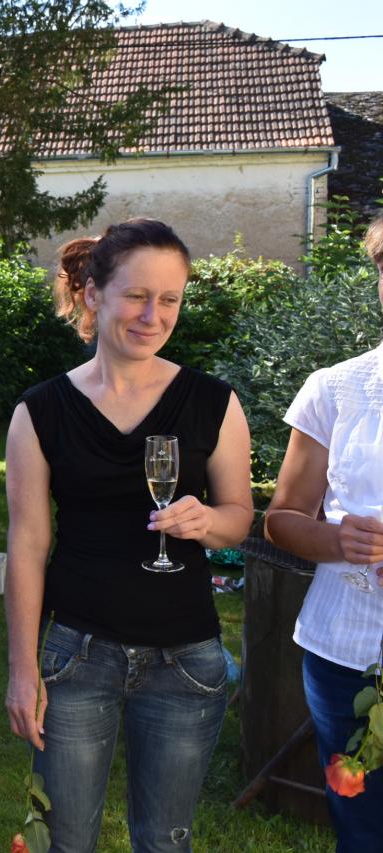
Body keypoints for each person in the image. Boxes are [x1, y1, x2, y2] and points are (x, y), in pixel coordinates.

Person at [3, 219, 253, 852]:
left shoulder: (213, 403)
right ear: (93, 294)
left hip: (186, 661)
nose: (153, 315)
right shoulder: (41, 411)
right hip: (77, 656)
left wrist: (206, 522)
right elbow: (27, 546)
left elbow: (239, 517)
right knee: (64, 841)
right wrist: (23, 668)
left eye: (169, 299)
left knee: (165, 843)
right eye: (137, 296)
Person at [264, 214, 383, 851]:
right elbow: (281, 519)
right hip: (345, 656)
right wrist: (339, 542)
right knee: (361, 829)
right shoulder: (334, 390)